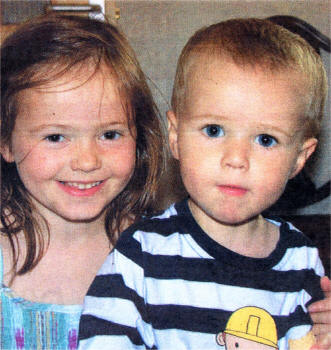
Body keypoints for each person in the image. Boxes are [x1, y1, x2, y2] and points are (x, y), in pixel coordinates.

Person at [78, 18, 330, 349]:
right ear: (176, 137)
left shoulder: (301, 261)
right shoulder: (142, 253)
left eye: (266, 139)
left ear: (299, 157)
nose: (236, 158)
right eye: (214, 130)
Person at [0, 13, 165, 349]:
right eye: (56, 137)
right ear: (6, 142)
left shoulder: (160, 253)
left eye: (109, 134)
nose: (87, 161)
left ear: (140, 136)